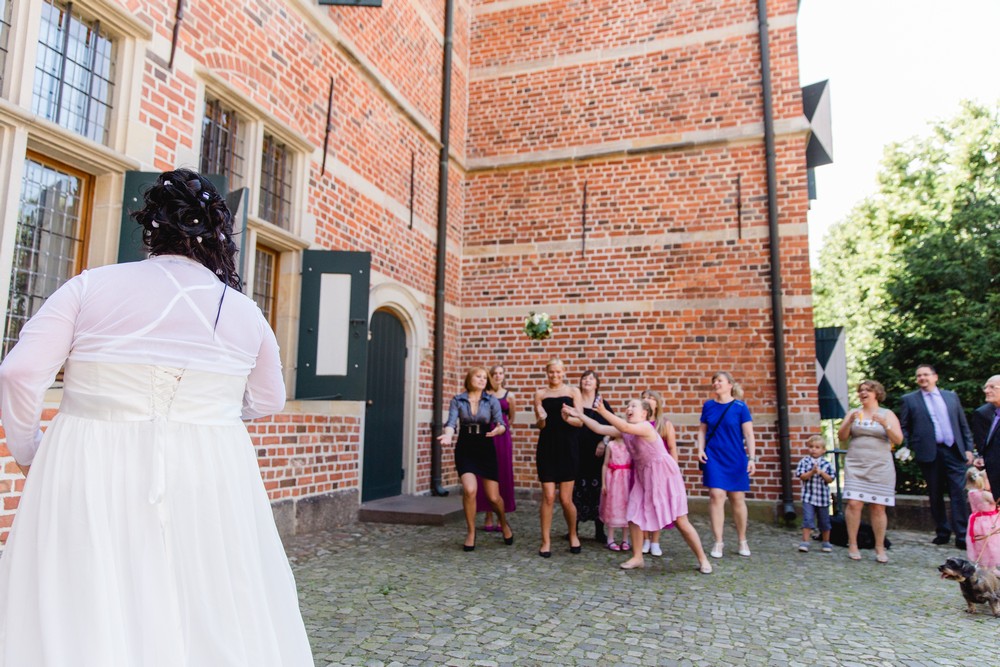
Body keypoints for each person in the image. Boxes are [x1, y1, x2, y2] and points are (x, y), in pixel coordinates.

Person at [0, 169, 313, 666]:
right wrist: (211, 413)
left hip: (87, 460)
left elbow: (18, 373)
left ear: (152, 229)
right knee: (208, 590)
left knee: (90, 590)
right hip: (212, 468)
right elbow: (269, 400)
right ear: (216, 236)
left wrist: (29, 451)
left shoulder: (90, 287)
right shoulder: (245, 312)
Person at [564, 398, 712, 573]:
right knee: (633, 515)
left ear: (644, 413)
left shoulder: (646, 427)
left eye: (633, 406)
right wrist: (579, 414)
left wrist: (603, 411)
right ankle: (637, 557)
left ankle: (703, 560)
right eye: (627, 406)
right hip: (644, 477)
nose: (629, 408)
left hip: (663, 476)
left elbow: (625, 427)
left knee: (680, 520)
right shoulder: (625, 431)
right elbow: (598, 428)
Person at [898, 364, 975, 549]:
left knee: (958, 492)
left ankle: (962, 535)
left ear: (935, 377)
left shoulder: (951, 396)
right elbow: (904, 426)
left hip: (954, 451)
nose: (922, 378)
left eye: (925, 374)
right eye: (918, 376)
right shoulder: (909, 400)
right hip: (929, 452)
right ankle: (942, 531)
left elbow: (962, 424)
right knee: (935, 493)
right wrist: (908, 446)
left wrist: (968, 448)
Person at [438, 367, 513, 551]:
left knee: (493, 497)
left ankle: (504, 523)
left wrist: (498, 430)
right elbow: (451, 423)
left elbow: (501, 423)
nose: (481, 379)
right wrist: (448, 435)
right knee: (470, 490)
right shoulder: (458, 400)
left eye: (483, 377)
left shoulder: (491, 400)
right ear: (469, 379)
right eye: (477, 376)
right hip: (466, 447)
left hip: (485, 446)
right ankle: (471, 532)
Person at [837, 380, 904, 563]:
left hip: (880, 466)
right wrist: (848, 423)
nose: (863, 393)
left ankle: (880, 547)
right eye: (861, 390)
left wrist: (885, 425)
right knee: (853, 504)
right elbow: (842, 437)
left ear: (877, 394)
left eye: (868, 390)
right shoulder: (853, 413)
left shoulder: (886, 414)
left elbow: (898, 440)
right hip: (856, 464)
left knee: (877, 506)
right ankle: (852, 544)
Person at [696, 371, 756, 559]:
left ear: (730, 384)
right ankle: (718, 541)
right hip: (714, 456)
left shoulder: (740, 407)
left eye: (719, 380)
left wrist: (752, 458)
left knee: (737, 498)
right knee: (716, 495)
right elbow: (702, 430)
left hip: (736, 457)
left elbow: (748, 434)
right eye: (714, 381)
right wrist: (700, 449)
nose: (716, 384)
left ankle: (742, 539)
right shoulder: (709, 406)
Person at [533, 359, 583, 558]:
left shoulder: (573, 392)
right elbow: (540, 425)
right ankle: (545, 541)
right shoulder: (540, 394)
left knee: (565, 498)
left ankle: (572, 534)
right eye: (551, 372)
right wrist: (541, 418)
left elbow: (580, 422)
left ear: (564, 372)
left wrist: (567, 418)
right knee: (548, 497)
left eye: (558, 372)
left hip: (567, 447)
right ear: (547, 373)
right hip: (547, 447)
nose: (554, 375)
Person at [573, 370, 612, 544]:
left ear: (597, 384)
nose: (587, 381)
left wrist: (604, 442)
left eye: (591, 379)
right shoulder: (575, 401)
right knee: (575, 491)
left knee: (597, 492)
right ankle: (573, 530)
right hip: (576, 452)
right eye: (584, 378)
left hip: (596, 455)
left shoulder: (601, 404)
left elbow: (613, 426)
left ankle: (599, 530)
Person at [638, 388, 677, 557]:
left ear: (657, 403)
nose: (647, 399)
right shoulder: (638, 424)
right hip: (641, 468)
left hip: (659, 471)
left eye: (651, 398)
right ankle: (644, 538)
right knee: (642, 503)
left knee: (657, 503)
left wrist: (673, 471)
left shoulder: (664, 424)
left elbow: (672, 448)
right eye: (644, 397)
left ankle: (655, 540)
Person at [478, 365, 516, 532]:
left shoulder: (510, 396)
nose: (498, 376)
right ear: (490, 376)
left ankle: (502, 516)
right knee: (487, 473)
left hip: (502, 435)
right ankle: (488, 514)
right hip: (487, 436)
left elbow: (511, 418)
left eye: (501, 373)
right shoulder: (484, 395)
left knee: (503, 472)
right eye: (495, 374)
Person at [796, 435, 835, 553]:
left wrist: (821, 472)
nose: (814, 449)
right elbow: (802, 476)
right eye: (811, 447)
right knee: (807, 519)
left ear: (823, 450)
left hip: (822, 498)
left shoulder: (827, 464)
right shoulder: (804, 462)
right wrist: (812, 472)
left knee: (824, 521)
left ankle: (826, 542)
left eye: (817, 447)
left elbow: (830, 479)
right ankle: (805, 541)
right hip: (808, 496)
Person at [599, 435, 632, 551]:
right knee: (612, 507)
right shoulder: (611, 446)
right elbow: (605, 464)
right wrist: (603, 483)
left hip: (626, 480)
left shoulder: (630, 444)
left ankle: (625, 539)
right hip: (614, 480)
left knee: (626, 508)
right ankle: (610, 539)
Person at [964, 467, 1000, 570]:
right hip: (989, 522)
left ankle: (983, 567)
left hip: (976, 523)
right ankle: (992, 569)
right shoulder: (985, 494)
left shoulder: (971, 493)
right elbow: (997, 500)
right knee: (992, 544)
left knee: (981, 546)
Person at [972, 375, 1000, 501]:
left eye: (992, 387)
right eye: (986, 387)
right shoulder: (994, 415)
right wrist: (983, 458)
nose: (986, 390)